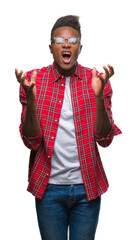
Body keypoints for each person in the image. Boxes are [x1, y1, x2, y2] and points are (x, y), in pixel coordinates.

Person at [15, 15, 121, 240]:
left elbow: (104, 139)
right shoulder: (35, 80)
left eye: (72, 40)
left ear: (79, 48)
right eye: (59, 40)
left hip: (87, 187)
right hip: (49, 189)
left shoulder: (96, 80)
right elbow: (31, 141)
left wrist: (99, 97)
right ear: (51, 47)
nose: (66, 44)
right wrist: (32, 100)